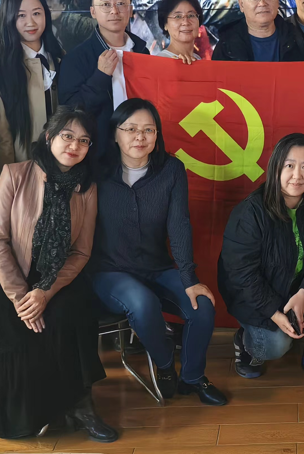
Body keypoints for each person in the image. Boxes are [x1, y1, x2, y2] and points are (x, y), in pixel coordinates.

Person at [0, 108, 115, 441]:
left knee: (74, 314)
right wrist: (23, 298)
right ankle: (41, 407)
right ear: (49, 137)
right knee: (16, 417)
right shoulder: (15, 174)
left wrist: (45, 292)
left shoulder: (87, 187)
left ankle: (80, 405)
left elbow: (81, 251)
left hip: (57, 277)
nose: (74, 146)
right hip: (9, 279)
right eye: (67, 136)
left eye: (84, 141)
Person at [89, 99, 227, 405]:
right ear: (115, 134)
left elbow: (179, 224)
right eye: (131, 129)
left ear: (157, 134)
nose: (140, 137)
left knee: (202, 305)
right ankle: (164, 366)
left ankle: (192, 377)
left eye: (148, 130)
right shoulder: (96, 170)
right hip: (110, 270)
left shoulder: (171, 169)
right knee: (143, 303)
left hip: (157, 266)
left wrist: (189, 278)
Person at [219, 134, 304, 385]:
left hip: (300, 289)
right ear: (275, 167)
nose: (297, 175)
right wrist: (274, 312)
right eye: (289, 165)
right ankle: (245, 343)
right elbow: (241, 274)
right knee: (275, 345)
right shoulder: (251, 212)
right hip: (258, 296)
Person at [57, 0, 150, 160]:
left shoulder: (142, 52)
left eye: (121, 3)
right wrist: (100, 77)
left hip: (142, 149)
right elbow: (69, 113)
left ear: (130, 9)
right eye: (105, 4)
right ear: (93, 12)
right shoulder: (76, 58)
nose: (114, 11)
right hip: (100, 156)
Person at [0, 0, 66, 171]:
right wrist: (7, 176)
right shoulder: (0, 66)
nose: (30, 22)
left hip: (64, 164)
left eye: (36, 13)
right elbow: (2, 134)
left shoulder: (60, 57)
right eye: (21, 15)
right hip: (25, 167)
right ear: (9, 18)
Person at [213, 0, 304, 62]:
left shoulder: (297, 37)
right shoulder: (226, 44)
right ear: (241, 4)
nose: (262, 3)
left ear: (277, 0)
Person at [154, 0, 205, 64]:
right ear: (165, 24)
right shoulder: (159, 63)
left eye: (191, 15)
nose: (186, 22)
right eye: (178, 16)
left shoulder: (197, 59)